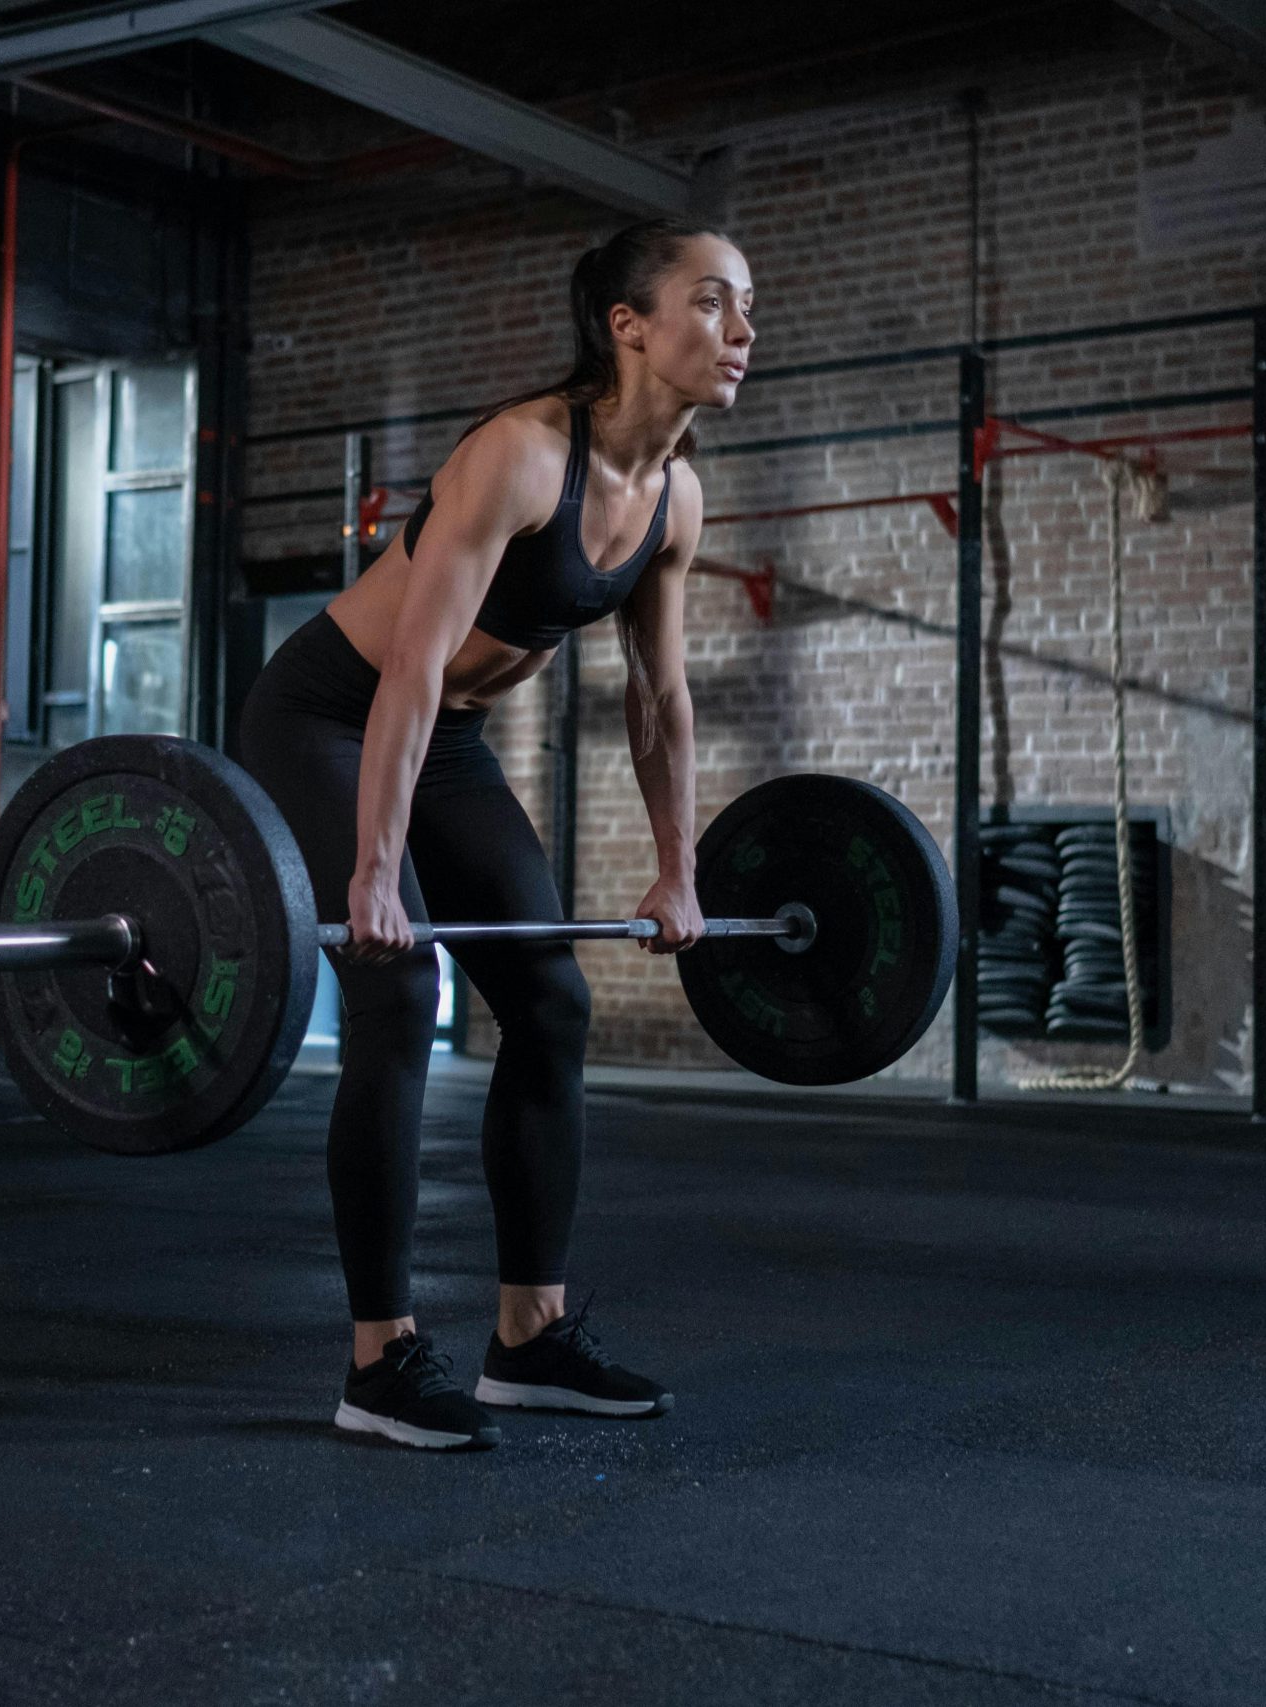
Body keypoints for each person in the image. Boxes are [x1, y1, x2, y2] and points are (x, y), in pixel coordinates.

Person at [235, 220, 754, 1451]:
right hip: (327, 714)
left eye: (747, 308)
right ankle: (380, 1360)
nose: (741, 332)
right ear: (628, 325)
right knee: (396, 983)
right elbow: (409, 666)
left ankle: (529, 1338)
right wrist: (371, 870)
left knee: (552, 1003)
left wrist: (680, 868)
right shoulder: (518, 457)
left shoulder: (675, 494)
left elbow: (657, 696)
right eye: (711, 302)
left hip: (447, 741)